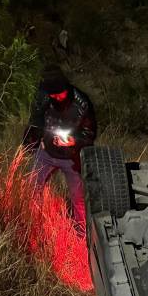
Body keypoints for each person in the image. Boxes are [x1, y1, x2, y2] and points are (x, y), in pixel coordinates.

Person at [21, 65, 97, 225]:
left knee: (79, 199)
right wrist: (33, 143)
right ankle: (32, 224)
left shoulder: (81, 103)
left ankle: (82, 231)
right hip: (46, 153)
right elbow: (35, 122)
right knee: (32, 189)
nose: (56, 98)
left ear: (66, 88)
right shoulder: (44, 98)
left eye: (59, 94)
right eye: (52, 95)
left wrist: (74, 141)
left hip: (71, 157)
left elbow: (89, 134)